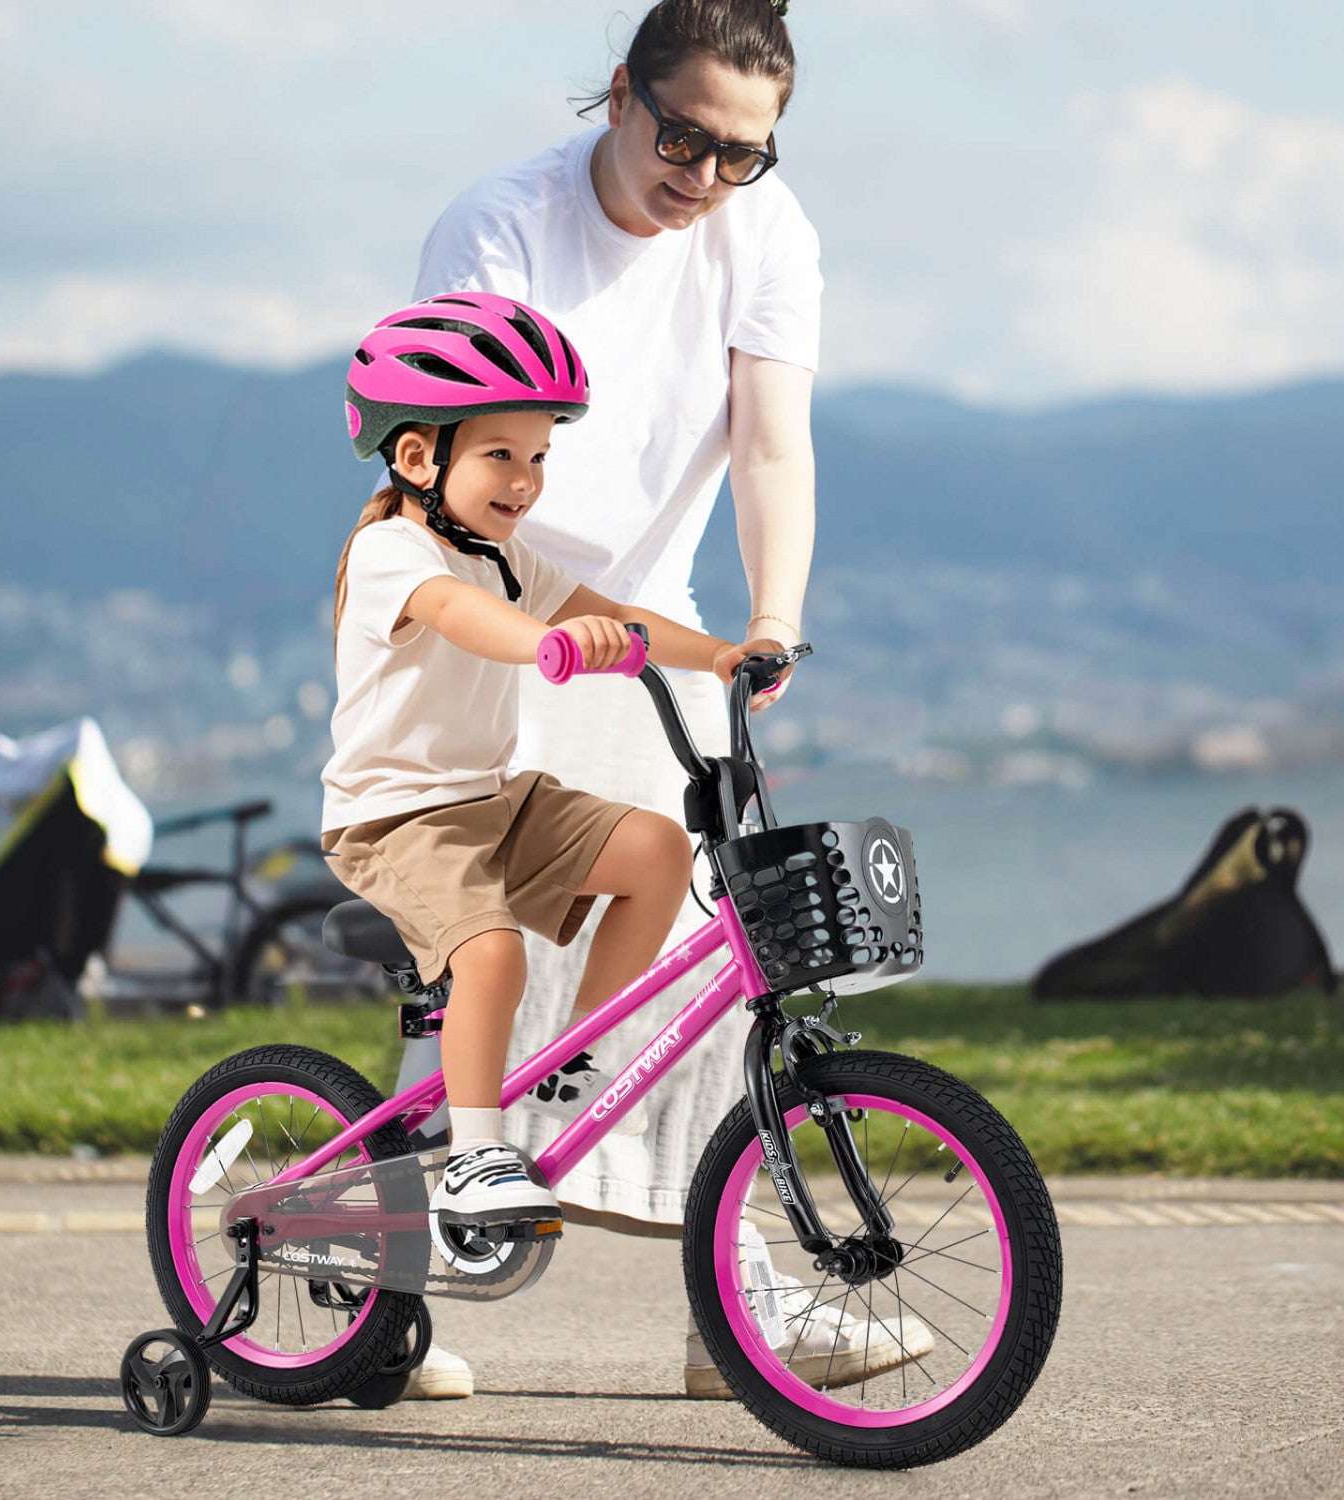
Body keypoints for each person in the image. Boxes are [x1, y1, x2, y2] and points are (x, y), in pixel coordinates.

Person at [382, 0, 879, 1400]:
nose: (706, 176)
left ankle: (738, 1316)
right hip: (493, 621)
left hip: (656, 628)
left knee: (713, 966)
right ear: (619, 95)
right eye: (682, 138)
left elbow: (771, 447)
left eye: (742, 153)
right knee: (478, 966)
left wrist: (770, 620)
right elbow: (464, 464)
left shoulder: (767, 236)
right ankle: (383, 1294)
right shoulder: (500, 230)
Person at [321, 292, 768, 1233]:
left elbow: (620, 616)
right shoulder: (393, 550)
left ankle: (577, 1057)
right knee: (492, 952)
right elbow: (460, 615)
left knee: (657, 849)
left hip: (490, 799)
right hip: (395, 821)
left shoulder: (507, 557)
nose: (525, 480)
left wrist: (721, 655)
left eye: (539, 457)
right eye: (501, 455)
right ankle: (475, 1156)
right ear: (418, 457)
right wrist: (543, 645)